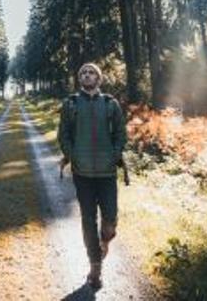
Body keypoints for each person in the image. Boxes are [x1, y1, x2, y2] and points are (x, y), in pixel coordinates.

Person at [58, 62, 126, 290]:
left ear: (99, 78)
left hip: (107, 173)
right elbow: (64, 133)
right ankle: (95, 268)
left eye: (91, 72)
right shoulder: (71, 104)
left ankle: (105, 240)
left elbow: (120, 133)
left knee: (110, 219)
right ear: (80, 79)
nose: (87, 75)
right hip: (82, 174)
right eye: (83, 72)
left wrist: (114, 155)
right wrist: (72, 155)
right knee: (88, 221)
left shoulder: (110, 104)